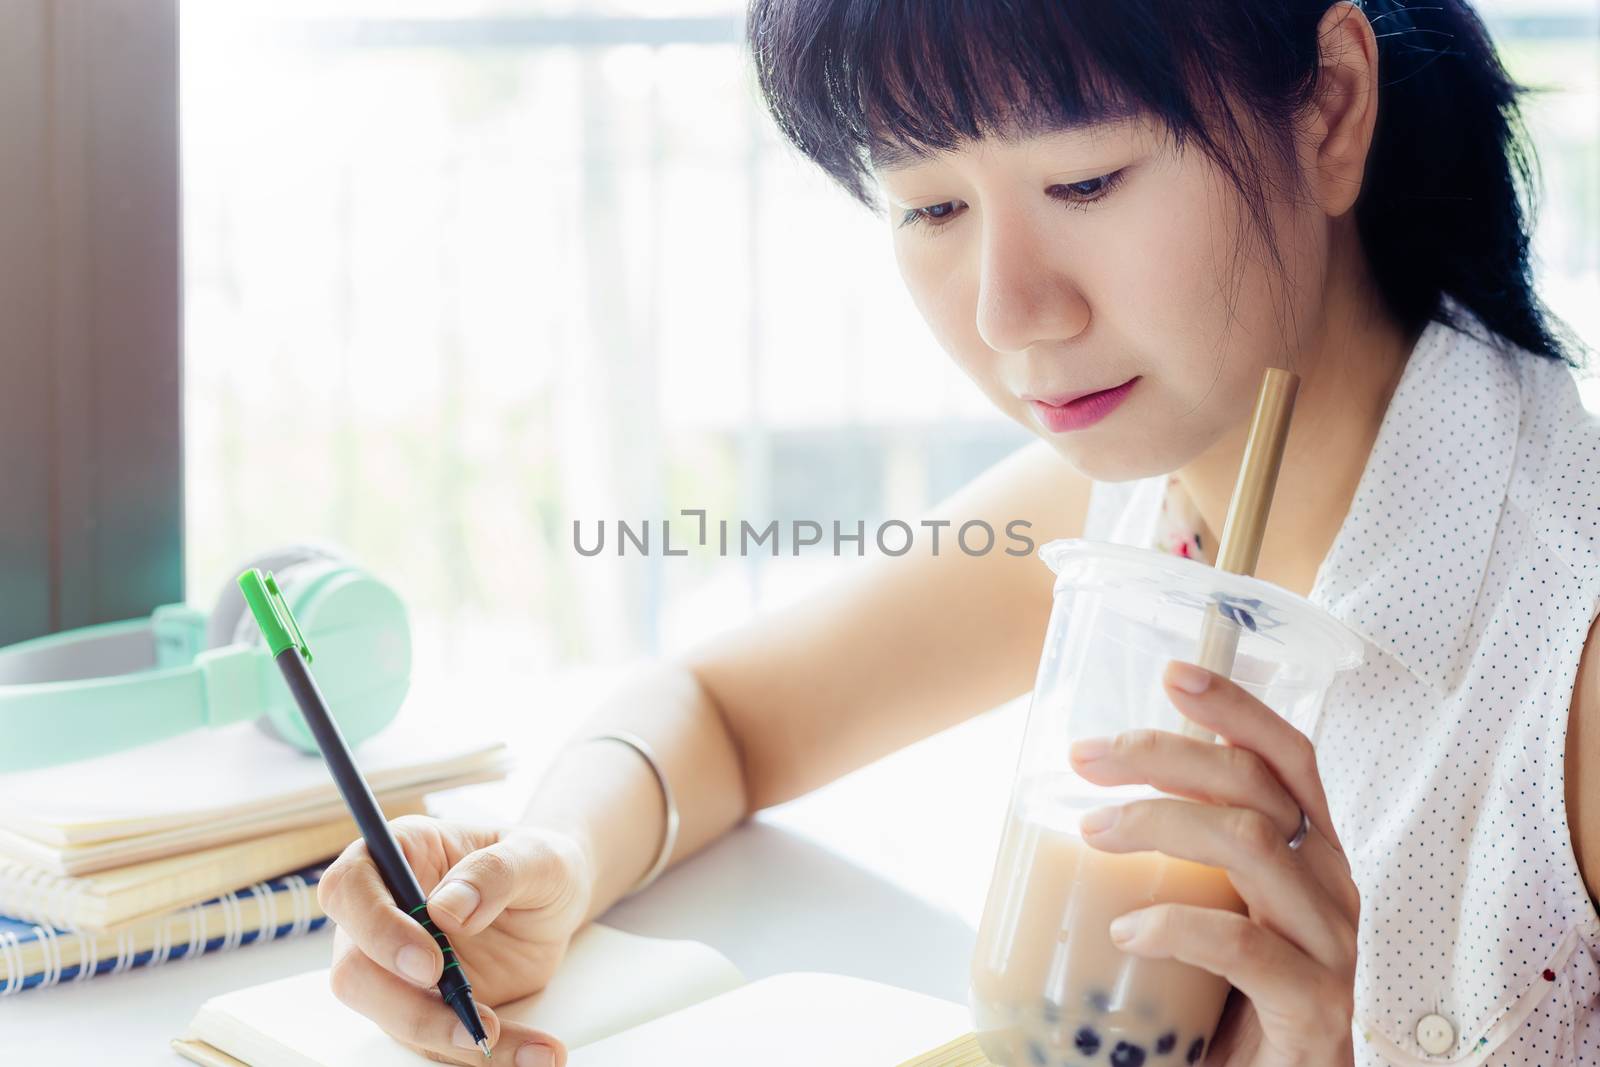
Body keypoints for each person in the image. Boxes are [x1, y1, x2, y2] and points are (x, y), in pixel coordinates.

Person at [316, 2, 1600, 1065]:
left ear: (1326, 105)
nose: (1009, 311)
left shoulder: (1568, 660)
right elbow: (721, 708)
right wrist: (554, 861)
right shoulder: (1129, 503)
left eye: (1084, 179)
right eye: (929, 209)